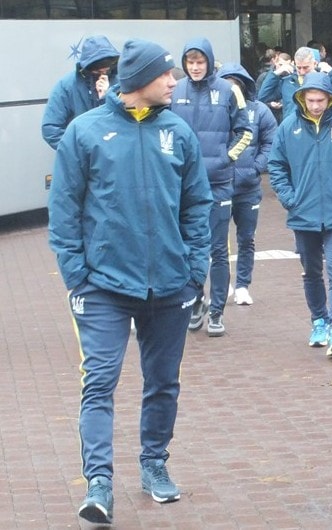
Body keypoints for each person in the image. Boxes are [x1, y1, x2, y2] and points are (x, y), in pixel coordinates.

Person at [47, 38, 212, 526]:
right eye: (165, 73)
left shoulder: (178, 132)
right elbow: (64, 211)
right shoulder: (84, 132)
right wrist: (77, 276)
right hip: (102, 288)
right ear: (139, 79)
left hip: (171, 285)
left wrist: (194, 272)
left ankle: (154, 464)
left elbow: (197, 205)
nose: (174, 80)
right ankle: (98, 483)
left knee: (163, 382)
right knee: (99, 383)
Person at [267, 72, 332, 358]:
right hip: (303, 214)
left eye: (320, 100)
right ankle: (319, 322)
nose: (315, 106)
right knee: (311, 272)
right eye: (310, 100)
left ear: (330, 99)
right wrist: (290, 199)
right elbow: (276, 166)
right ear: (301, 98)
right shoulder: (288, 127)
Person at [171, 37, 253, 337]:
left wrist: (225, 158)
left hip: (218, 183)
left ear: (209, 61)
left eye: (200, 61)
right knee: (187, 249)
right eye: (190, 62)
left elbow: (245, 131)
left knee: (218, 250)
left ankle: (217, 311)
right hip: (184, 185)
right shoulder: (175, 90)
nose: (195, 67)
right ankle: (196, 302)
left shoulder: (228, 91)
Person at [217, 63, 278, 306]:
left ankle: (242, 285)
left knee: (246, 239)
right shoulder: (213, 111)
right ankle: (223, 284)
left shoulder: (260, 111)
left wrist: (255, 168)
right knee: (218, 242)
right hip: (219, 186)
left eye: (235, 84)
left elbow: (271, 143)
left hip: (248, 188)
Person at [42, 35, 120, 150]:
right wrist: (78, 152)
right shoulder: (67, 86)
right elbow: (51, 129)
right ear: (87, 69)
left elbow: (127, 122)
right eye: (98, 71)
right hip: (82, 155)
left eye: (107, 70)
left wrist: (107, 98)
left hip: (114, 153)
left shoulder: (119, 82)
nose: (103, 75)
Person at [257, 46, 332, 121]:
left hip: (319, 130)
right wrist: (275, 74)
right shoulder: (288, 81)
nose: (302, 71)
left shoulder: (325, 81)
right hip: (292, 131)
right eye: (298, 67)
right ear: (294, 64)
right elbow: (262, 97)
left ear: (315, 63)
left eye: (306, 67)